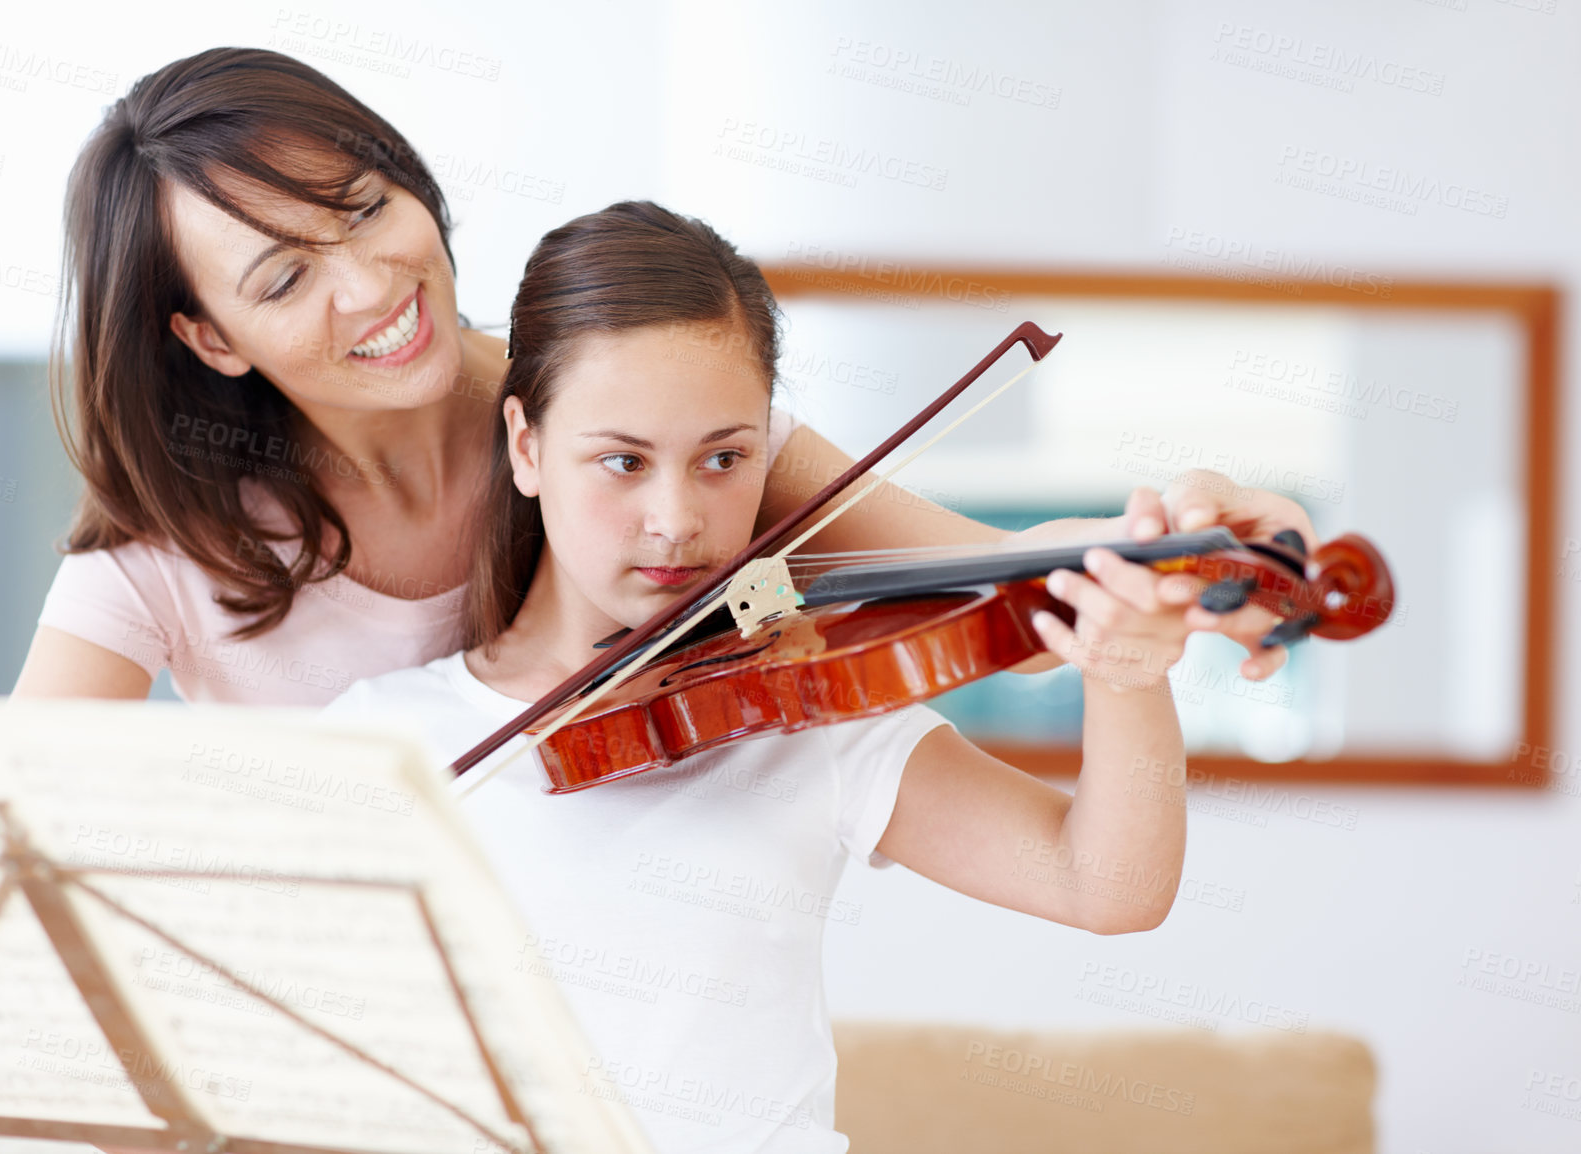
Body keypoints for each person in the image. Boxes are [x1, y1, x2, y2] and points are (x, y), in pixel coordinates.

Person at [12, 46, 1310, 707]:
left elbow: (981, 584)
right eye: (284, 278)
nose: (368, 285)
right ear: (210, 338)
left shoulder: (624, 421)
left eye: (364, 207)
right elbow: (9, 837)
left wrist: (1182, 546)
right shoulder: (157, 562)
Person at [323, 201, 1194, 1154]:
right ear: (527, 446)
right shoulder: (382, 740)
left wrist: (1127, 671)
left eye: (723, 460)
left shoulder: (799, 702)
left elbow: (1105, 887)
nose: (676, 520)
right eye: (622, 461)